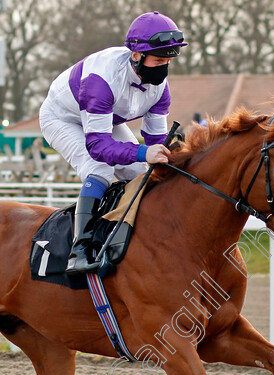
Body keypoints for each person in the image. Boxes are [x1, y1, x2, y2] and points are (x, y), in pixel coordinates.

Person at [39, 11, 188, 273]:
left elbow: (155, 142)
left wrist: (165, 152)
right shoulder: (101, 80)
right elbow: (97, 147)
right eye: (158, 60)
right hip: (61, 118)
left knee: (141, 172)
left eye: (168, 61)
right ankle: (79, 249)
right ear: (136, 55)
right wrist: (144, 152)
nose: (164, 68)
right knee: (100, 168)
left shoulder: (161, 89)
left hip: (107, 120)